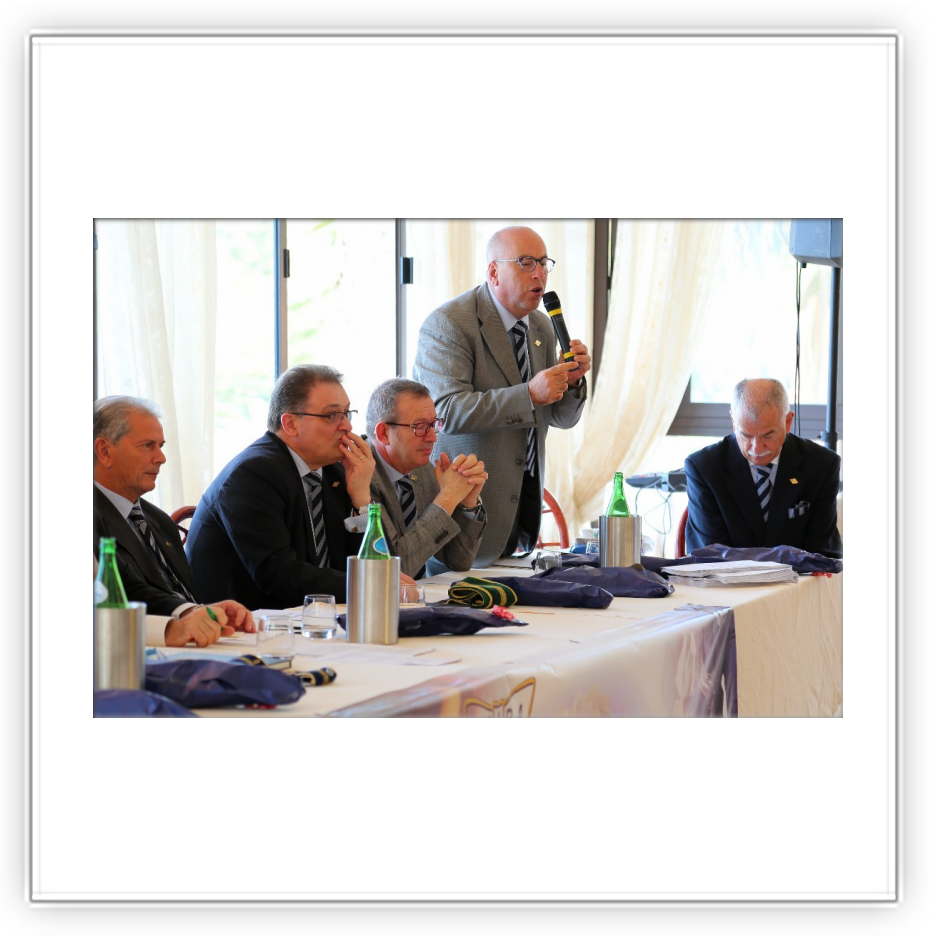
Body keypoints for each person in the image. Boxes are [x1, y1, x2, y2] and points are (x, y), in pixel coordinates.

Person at [412, 225, 591, 565]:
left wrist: (571, 383)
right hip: (464, 513)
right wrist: (529, 395)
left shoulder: (541, 326)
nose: (539, 273)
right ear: (493, 272)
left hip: (523, 508)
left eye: (543, 263)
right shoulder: (449, 324)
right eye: (526, 263)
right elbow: (446, 412)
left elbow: (560, 418)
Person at [186, 364, 416, 609]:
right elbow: (279, 575)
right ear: (290, 424)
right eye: (332, 415)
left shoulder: (335, 472)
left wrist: (361, 499)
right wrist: (368, 583)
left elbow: (385, 567)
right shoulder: (252, 474)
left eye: (346, 414)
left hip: (316, 615)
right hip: (245, 621)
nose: (347, 427)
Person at [93, 395, 256, 648]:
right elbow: (122, 593)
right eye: (147, 445)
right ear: (105, 451)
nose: (161, 458)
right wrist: (183, 616)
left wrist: (202, 611)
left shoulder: (158, 520)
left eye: (160, 446)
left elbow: (172, 592)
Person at [683, 378, 843, 559]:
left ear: (788, 422)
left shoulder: (821, 465)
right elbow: (710, 555)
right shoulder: (704, 468)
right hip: (727, 577)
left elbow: (822, 554)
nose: (757, 448)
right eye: (746, 435)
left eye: (768, 435)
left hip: (799, 577)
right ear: (734, 422)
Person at [362, 378, 488, 578]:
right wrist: (447, 498)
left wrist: (466, 503)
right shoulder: (360, 476)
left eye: (434, 424)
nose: (433, 437)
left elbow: (459, 561)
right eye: (419, 426)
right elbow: (394, 570)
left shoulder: (423, 470)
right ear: (383, 433)